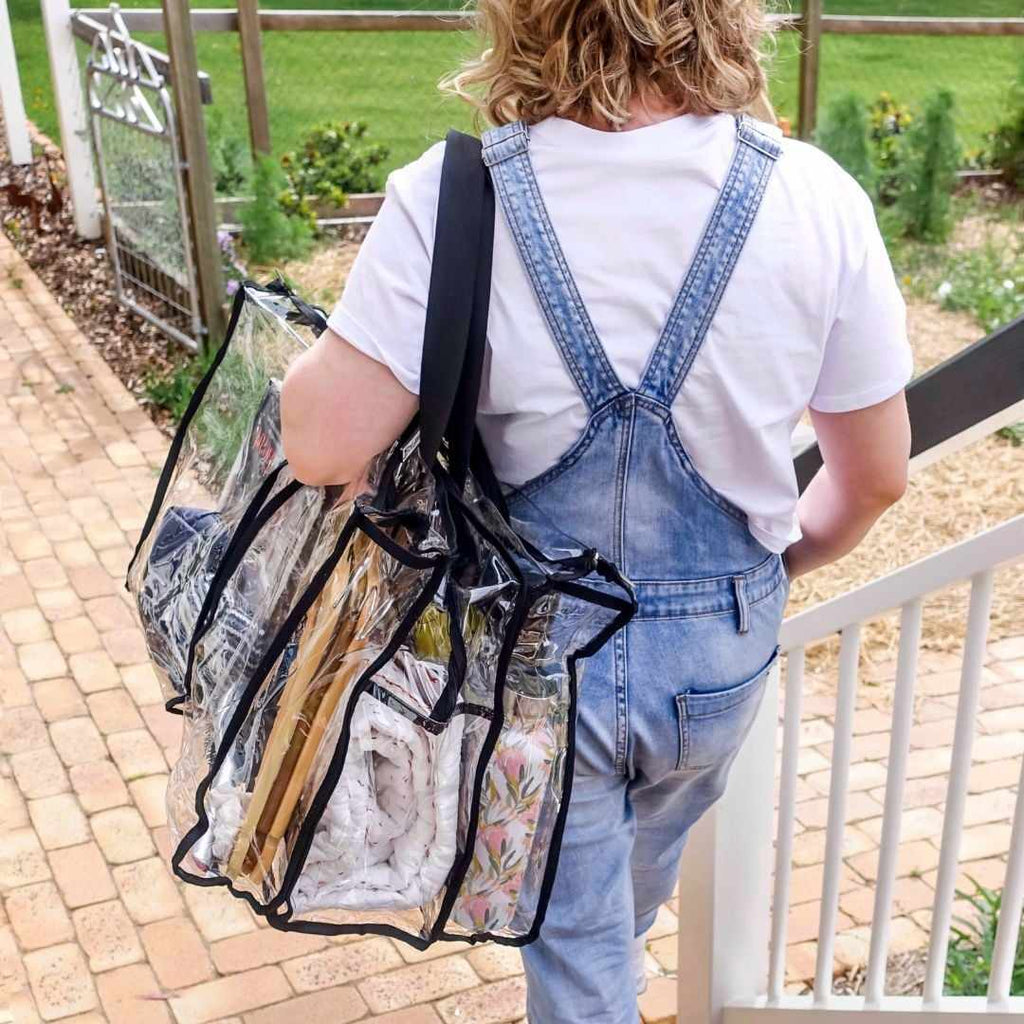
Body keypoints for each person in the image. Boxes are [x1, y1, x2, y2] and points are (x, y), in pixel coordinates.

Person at [280, 0, 913, 1018]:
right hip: (717, 659)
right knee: (622, 898)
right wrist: (769, 574)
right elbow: (876, 475)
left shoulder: (456, 196)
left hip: (536, 657)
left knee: (578, 952)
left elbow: (319, 444)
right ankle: (611, 949)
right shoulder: (815, 197)